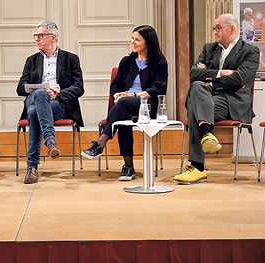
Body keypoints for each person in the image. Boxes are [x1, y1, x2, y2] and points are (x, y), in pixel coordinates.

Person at [174, 13, 259, 185]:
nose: (214, 32)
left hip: (233, 102)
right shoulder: (209, 48)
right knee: (197, 87)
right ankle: (207, 133)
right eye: (214, 28)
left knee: (195, 104)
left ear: (232, 29)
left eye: (218, 28)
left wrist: (210, 83)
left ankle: (197, 168)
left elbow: (239, 79)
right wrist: (221, 73)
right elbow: (194, 74)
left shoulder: (250, 51)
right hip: (210, 99)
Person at [80, 25, 168, 181]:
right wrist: (116, 95)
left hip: (148, 105)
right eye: (132, 38)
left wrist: (133, 94)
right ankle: (128, 166)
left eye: (137, 39)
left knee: (125, 102)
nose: (133, 42)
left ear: (148, 42)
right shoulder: (127, 61)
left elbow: (158, 88)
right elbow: (116, 84)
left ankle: (101, 143)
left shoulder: (160, 63)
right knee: (123, 117)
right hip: (125, 105)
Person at [17, 21, 84, 184]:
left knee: (33, 113)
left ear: (52, 37)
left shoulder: (71, 59)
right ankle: (50, 140)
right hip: (35, 98)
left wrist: (58, 93)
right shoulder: (31, 60)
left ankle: (32, 168)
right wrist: (43, 88)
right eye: (36, 36)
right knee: (40, 94)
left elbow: (79, 88)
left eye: (40, 35)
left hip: (58, 104)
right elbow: (20, 89)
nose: (36, 39)